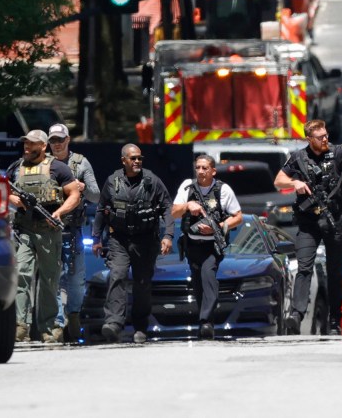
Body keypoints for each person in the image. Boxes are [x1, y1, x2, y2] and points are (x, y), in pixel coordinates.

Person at [274, 119, 342, 335]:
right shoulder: (299, 157)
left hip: (333, 220)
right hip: (308, 222)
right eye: (320, 138)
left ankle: (334, 321)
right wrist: (295, 183)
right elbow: (278, 180)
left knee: (333, 271)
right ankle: (296, 314)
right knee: (303, 267)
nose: (325, 140)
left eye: (326, 136)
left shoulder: (337, 152)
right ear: (309, 139)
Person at [91, 144, 174, 344]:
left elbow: (167, 207)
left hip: (146, 240)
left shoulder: (152, 181)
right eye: (133, 158)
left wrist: (168, 235)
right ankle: (114, 324)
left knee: (142, 284)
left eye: (139, 158)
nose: (137, 161)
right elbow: (102, 210)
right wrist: (96, 239)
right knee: (117, 275)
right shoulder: (112, 182)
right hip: (119, 239)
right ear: (124, 161)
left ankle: (140, 326)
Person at [8, 129, 80, 344]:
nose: (27, 148)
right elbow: (2, 190)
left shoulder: (58, 167)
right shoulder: (15, 168)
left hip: (49, 229)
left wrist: (59, 213)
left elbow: (74, 194)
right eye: (25, 144)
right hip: (24, 229)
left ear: (43, 147)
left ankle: (50, 327)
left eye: (32, 144)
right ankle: (20, 325)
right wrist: (14, 200)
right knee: (21, 274)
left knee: (49, 280)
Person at [171, 154, 243, 340]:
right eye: (198, 168)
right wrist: (188, 205)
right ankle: (205, 323)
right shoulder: (187, 187)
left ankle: (206, 322)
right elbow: (173, 212)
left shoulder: (223, 190)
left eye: (205, 168)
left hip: (212, 245)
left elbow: (238, 217)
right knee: (198, 284)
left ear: (213, 171)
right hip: (192, 244)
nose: (201, 171)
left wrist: (217, 227)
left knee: (208, 275)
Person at [46, 123, 100, 343]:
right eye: (53, 141)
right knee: (53, 279)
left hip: (74, 228)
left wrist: (82, 188)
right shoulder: (43, 164)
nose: (57, 145)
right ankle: (58, 324)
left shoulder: (80, 163)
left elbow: (96, 196)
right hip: (48, 229)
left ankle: (74, 315)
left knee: (76, 278)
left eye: (61, 140)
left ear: (68, 140)